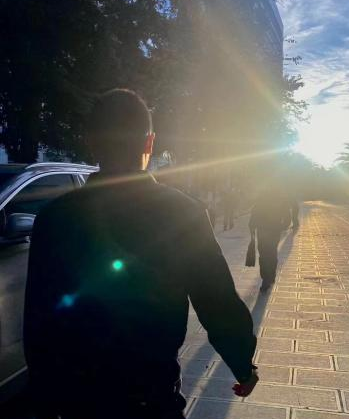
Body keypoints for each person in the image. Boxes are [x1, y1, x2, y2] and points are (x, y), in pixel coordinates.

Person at [24, 89, 258, 419]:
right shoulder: (183, 212)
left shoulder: (54, 218)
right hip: (152, 397)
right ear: (149, 142)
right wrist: (242, 365)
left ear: (90, 142)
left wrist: (44, 400)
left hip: (78, 401)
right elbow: (217, 300)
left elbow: (39, 321)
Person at [249, 182, 299, 292]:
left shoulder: (262, 199)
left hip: (262, 232)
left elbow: (254, 215)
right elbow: (287, 217)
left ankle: (266, 278)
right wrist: (282, 227)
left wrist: (252, 228)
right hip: (274, 231)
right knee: (272, 253)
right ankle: (270, 276)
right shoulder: (281, 200)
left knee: (263, 255)